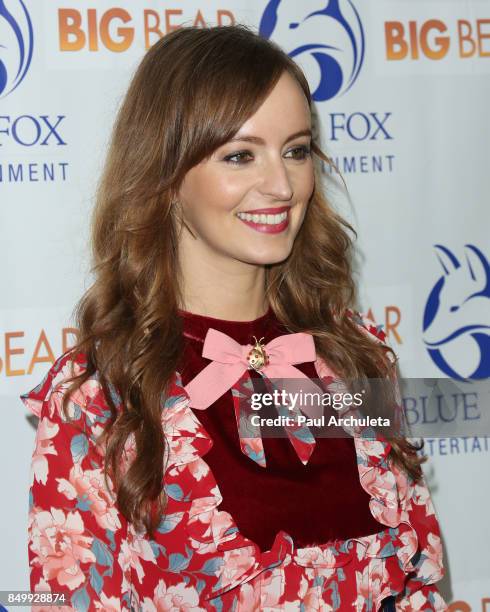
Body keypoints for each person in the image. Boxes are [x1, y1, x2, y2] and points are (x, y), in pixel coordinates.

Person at [21, 24, 448, 611]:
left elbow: (416, 581)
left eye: (296, 151)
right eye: (240, 155)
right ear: (167, 178)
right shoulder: (101, 396)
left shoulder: (356, 358)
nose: (280, 185)